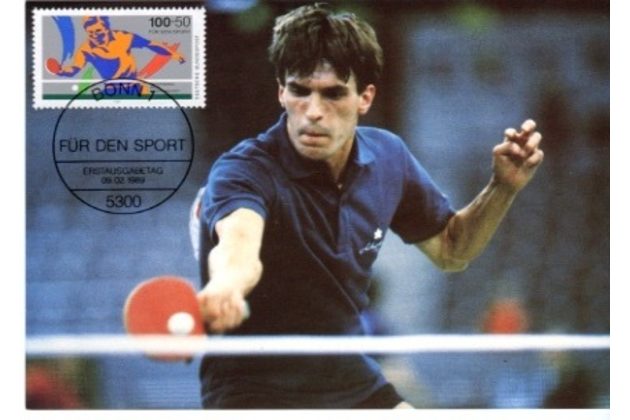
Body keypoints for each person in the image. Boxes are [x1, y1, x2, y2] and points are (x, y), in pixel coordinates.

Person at [194, 3, 543, 409]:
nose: (313, 111)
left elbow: (452, 250)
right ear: (281, 92)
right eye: (300, 90)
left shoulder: (388, 156)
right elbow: (238, 246)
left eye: (333, 93)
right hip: (252, 390)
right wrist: (226, 286)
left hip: (347, 378)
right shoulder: (244, 169)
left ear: (365, 97)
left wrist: (502, 187)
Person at [51, 16, 185, 79]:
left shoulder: (124, 37)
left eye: (98, 31)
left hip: (134, 84)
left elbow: (150, 45)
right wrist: (62, 71)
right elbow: (75, 68)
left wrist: (173, 54)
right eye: (90, 33)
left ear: (107, 28)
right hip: (111, 89)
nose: (94, 36)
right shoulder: (85, 50)